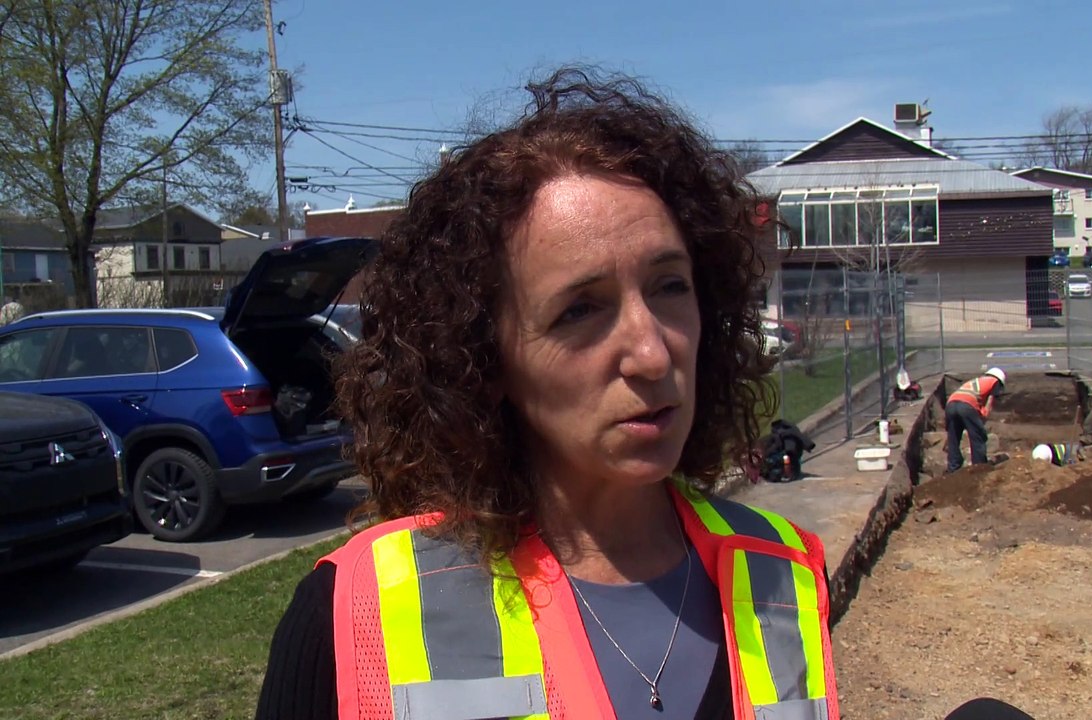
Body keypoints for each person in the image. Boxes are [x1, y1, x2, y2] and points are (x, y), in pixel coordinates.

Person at [256, 67, 838, 720]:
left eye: (670, 286)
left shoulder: (784, 577)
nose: (651, 352)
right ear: (486, 360)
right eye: (580, 310)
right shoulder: (353, 613)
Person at [945, 368, 1006, 473]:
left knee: (954, 438)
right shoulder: (994, 381)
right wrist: (984, 417)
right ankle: (979, 467)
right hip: (966, 406)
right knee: (978, 436)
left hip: (951, 404)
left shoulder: (977, 381)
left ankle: (953, 468)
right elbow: (990, 401)